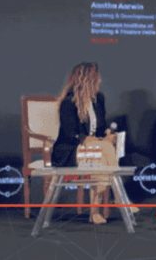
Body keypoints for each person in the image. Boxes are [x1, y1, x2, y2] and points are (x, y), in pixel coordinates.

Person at [51, 62, 137, 224]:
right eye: (96, 77)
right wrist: (96, 141)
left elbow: (100, 128)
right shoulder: (68, 102)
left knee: (103, 156)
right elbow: (70, 134)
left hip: (94, 147)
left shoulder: (98, 99)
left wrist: (107, 135)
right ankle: (118, 197)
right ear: (86, 80)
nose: (99, 81)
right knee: (104, 149)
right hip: (69, 150)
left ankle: (95, 212)